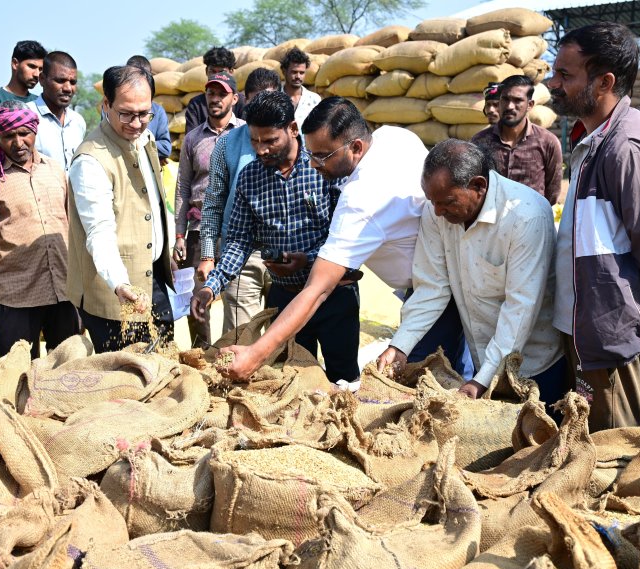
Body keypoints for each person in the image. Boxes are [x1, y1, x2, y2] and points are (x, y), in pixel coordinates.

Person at [217, 98, 468, 383]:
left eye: (321, 156)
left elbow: (317, 290)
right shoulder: (393, 135)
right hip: (438, 283)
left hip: (438, 292)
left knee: (429, 384)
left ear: (356, 148)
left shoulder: (359, 200)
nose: (312, 164)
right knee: (454, 373)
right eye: (310, 154)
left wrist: (256, 354)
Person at [374, 140, 566, 408]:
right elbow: (432, 287)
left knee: (541, 440)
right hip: (483, 358)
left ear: (478, 186)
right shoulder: (437, 211)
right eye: (433, 202)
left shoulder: (526, 215)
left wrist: (482, 380)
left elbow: (520, 307)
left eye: (447, 203)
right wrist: (400, 346)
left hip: (536, 362)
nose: (438, 212)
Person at [191, 91, 359, 383]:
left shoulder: (324, 167)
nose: (261, 150)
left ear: (293, 130)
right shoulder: (249, 178)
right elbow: (239, 242)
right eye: (255, 141)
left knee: (342, 381)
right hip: (284, 298)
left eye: (270, 141)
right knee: (292, 381)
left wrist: (308, 259)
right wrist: (211, 287)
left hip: (334, 297)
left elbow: (344, 232)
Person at [548, 22, 640, 432]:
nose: (553, 84)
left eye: (565, 75)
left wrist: (632, 322)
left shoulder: (626, 148)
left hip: (613, 337)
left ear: (604, 81)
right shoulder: (592, 141)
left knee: (614, 452)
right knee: (583, 447)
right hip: (588, 330)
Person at [68, 65, 174, 353]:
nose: (137, 123)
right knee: (125, 383)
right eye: (126, 113)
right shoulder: (91, 160)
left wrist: (168, 246)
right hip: (115, 294)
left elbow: (155, 202)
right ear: (106, 105)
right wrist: (119, 283)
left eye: (144, 113)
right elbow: (98, 230)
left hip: (154, 280)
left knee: (165, 369)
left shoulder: (146, 139)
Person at [0, 102, 81, 360]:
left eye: (24, 133)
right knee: (17, 372)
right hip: (16, 295)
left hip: (64, 288)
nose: (18, 142)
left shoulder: (55, 169)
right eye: (9, 136)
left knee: (69, 367)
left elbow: (73, 227)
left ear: (35, 131)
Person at [198, 68, 281, 333]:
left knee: (284, 341)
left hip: (286, 255)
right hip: (239, 255)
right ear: (245, 100)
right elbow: (212, 203)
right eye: (257, 102)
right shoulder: (227, 145)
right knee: (240, 339)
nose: (263, 109)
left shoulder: (292, 141)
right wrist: (209, 254)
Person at [174, 72, 244, 348]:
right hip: (199, 228)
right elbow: (182, 188)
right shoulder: (192, 139)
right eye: (210, 93)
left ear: (234, 99)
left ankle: (232, 355)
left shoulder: (246, 135)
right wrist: (179, 235)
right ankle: (201, 357)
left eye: (221, 94)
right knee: (198, 300)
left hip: (236, 229)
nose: (214, 99)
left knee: (237, 296)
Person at [472, 75, 563, 205]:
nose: (509, 106)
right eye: (505, 99)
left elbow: (552, 192)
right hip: (492, 222)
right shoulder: (480, 141)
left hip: (533, 222)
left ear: (530, 105)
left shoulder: (547, 142)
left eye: (517, 100)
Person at [25, 51, 87, 171]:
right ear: (42, 79)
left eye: (73, 82)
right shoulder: (24, 115)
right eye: (60, 81)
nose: (68, 88)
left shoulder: (78, 121)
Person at [0, 41, 46, 126]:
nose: (37, 74)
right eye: (31, 66)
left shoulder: (40, 102)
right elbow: (1, 135)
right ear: (15, 64)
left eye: (40, 69)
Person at [184, 47, 246, 133]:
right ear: (206, 71)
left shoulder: (242, 102)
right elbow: (191, 139)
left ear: (231, 72)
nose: (216, 76)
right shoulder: (196, 104)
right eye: (212, 71)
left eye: (222, 72)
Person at [126, 55, 171, 162]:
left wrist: (136, 143)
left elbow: (165, 148)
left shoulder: (157, 111)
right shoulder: (113, 108)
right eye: (132, 77)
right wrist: (150, 148)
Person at [281, 48, 321, 128]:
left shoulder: (314, 100)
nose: (298, 76)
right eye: (294, 72)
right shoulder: (273, 98)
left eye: (302, 73)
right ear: (284, 71)